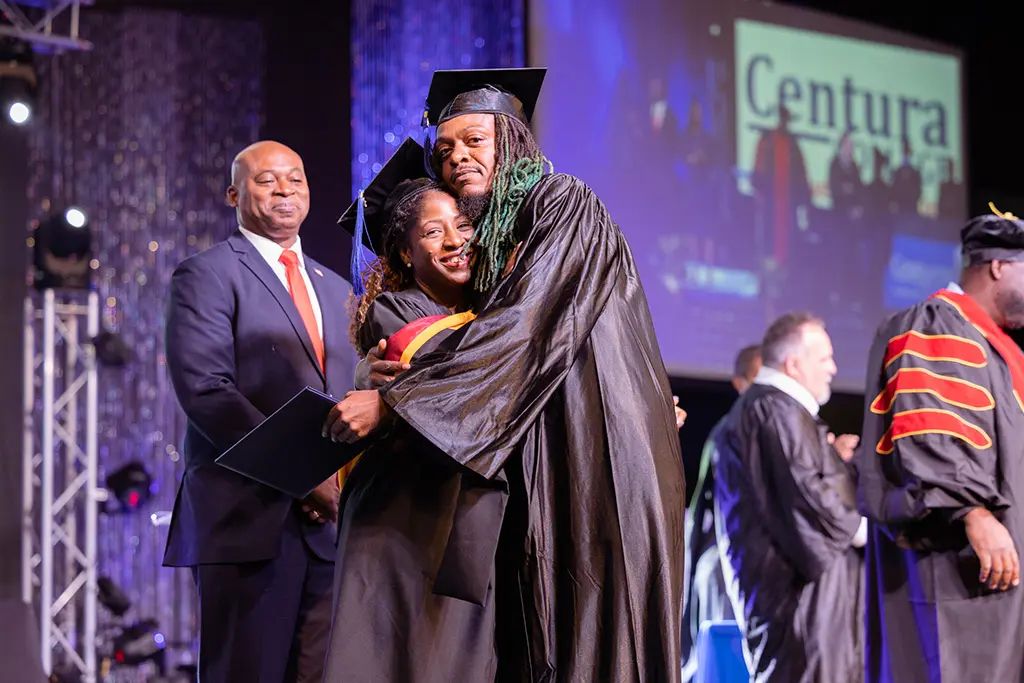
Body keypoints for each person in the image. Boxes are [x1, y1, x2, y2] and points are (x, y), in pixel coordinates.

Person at [325, 68, 686, 682]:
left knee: (599, 639)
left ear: (512, 140)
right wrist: (373, 373)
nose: (456, 158)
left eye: (474, 141)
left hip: (602, 457)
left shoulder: (562, 202)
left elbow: (522, 329)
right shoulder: (496, 240)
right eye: (444, 150)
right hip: (550, 458)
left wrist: (393, 406)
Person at [163, 141, 358, 683]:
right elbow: (207, 391)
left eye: (295, 179)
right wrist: (304, 477)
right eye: (266, 180)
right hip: (247, 523)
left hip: (329, 533)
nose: (284, 191)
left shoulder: (337, 289)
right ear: (234, 194)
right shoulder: (205, 274)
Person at [323, 138, 507, 682]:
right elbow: (474, 370)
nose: (455, 242)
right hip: (403, 523)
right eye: (432, 231)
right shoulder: (395, 312)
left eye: (464, 226)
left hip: (458, 516)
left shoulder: (488, 309)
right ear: (406, 253)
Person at [858, 207, 1024, 683]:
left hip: (994, 574)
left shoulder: (994, 346)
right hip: (959, 568)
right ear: (998, 266)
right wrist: (972, 511)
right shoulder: (938, 324)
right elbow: (931, 429)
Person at [714, 312, 865, 683]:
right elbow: (806, 495)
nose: (833, 368)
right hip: (794, 601)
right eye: (824, 358)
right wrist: (866, 530)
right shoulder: (773, 409)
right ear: (793, 364)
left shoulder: (777, 410)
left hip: (804, 601)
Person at [680, 343, 761, 682]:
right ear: (739, 383)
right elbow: (707, 510)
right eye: (759, 377)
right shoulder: (730, 434)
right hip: (727, 565)